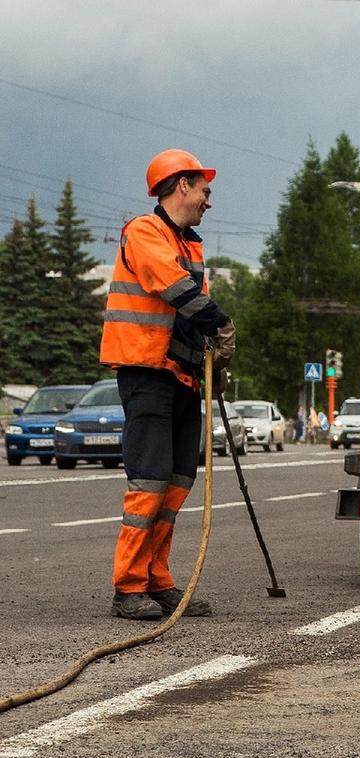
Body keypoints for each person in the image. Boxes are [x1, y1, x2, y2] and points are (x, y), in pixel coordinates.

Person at [99, 149, 236, 621]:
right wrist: (220, 322)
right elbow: (174, 289)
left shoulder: (190, 244)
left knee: (177, 482)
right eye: (204, 190)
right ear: (181, 186)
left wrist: (212, 358)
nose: (207, 200)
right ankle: (128, 586)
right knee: (149, 483)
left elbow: (190, 314)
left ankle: (158, 580)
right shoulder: (144, 232)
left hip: (181, 375)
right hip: (147, 373)